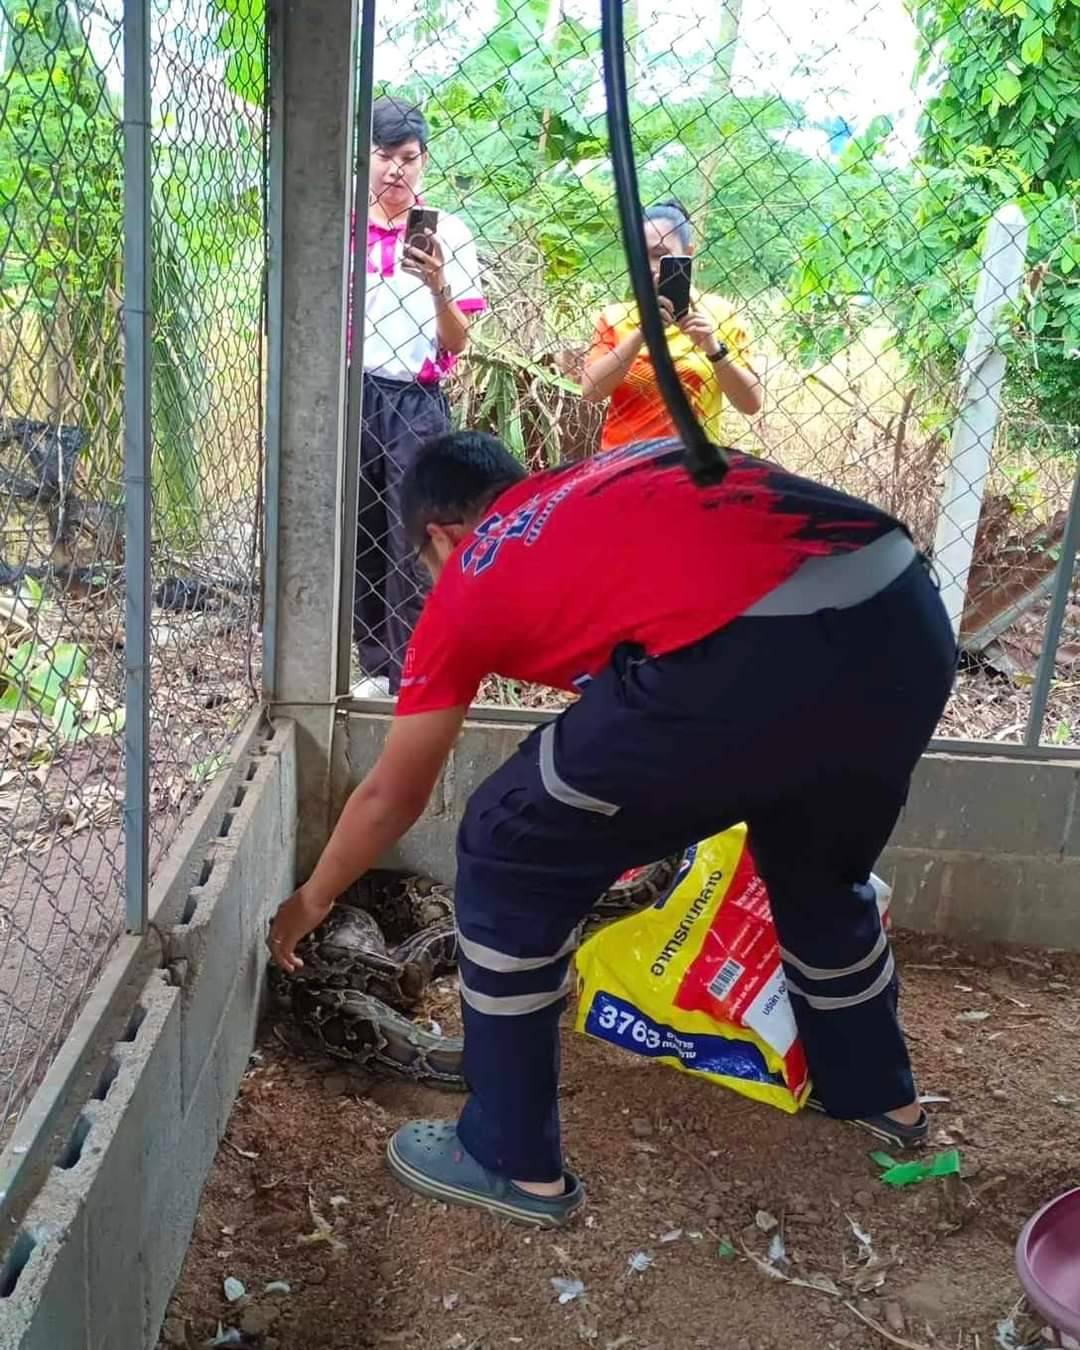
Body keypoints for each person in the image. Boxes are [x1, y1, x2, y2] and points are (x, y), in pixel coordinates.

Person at [269, 430, 957, 1229]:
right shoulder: (612, 475)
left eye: (424, 565)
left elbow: (394, 794)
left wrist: (312, 900)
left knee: (506, 841)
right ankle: (879, 1096)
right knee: (816, 865)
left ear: (442, 536)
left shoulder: (475, 566)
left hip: (758, 649)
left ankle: (507, 1157)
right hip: (904, 616)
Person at [351, 97, 486, 698]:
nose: (395, 170)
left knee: (413, 535)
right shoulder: (344, 226)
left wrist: (438, 285)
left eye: (407, 157)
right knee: (358, 528)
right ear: (365, 160)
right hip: (349, 391)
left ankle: (413, 668)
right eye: (383, 156)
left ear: (424, 160)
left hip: (415, 400)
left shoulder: (449, 233)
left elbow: (457, 340)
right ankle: (373, 665)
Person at [581, 199, 763, 449]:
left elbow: (751, 404)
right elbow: (591, 392)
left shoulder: (721, 315)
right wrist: (642, 334)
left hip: (693, 464)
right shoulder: (614, 317)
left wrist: (713, 349)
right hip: (623, 463)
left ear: (687, 253)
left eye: (660, 255)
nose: (650, 267)